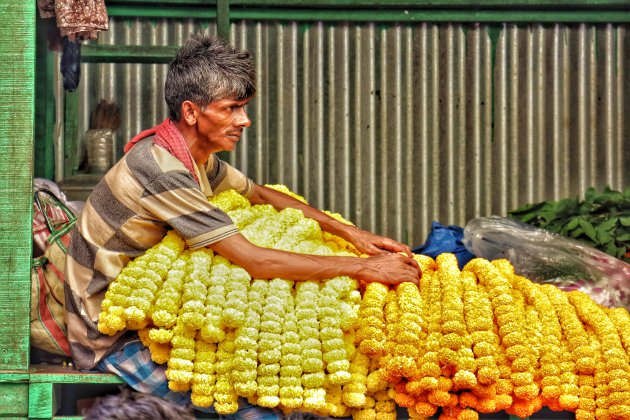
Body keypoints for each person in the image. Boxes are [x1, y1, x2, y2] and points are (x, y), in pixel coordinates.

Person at [64, 34, 421, 418]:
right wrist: (364, 268)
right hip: (111, 332)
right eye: (232, 109)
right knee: (263, 411)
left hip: (141, 310)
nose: (244, 121)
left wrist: (354, 235)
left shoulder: (192, 156)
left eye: (244, 108)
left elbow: (261, 195)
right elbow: (255, 260)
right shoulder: (161, 170)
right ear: (191, 112)